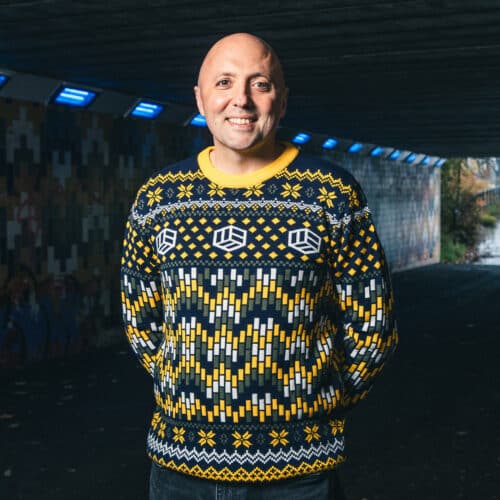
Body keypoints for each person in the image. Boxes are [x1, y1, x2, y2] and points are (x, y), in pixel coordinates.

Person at [121, 32, 398, 499]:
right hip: (181, 470)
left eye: (260, 84)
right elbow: (140, 320)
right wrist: (190, 390)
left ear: (282, 100)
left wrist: (317, 403)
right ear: (200, 98)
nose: (241, 100)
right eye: (224, 82)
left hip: (299, 474)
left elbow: (373, 327)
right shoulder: (159, 199)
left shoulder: (330, 195)